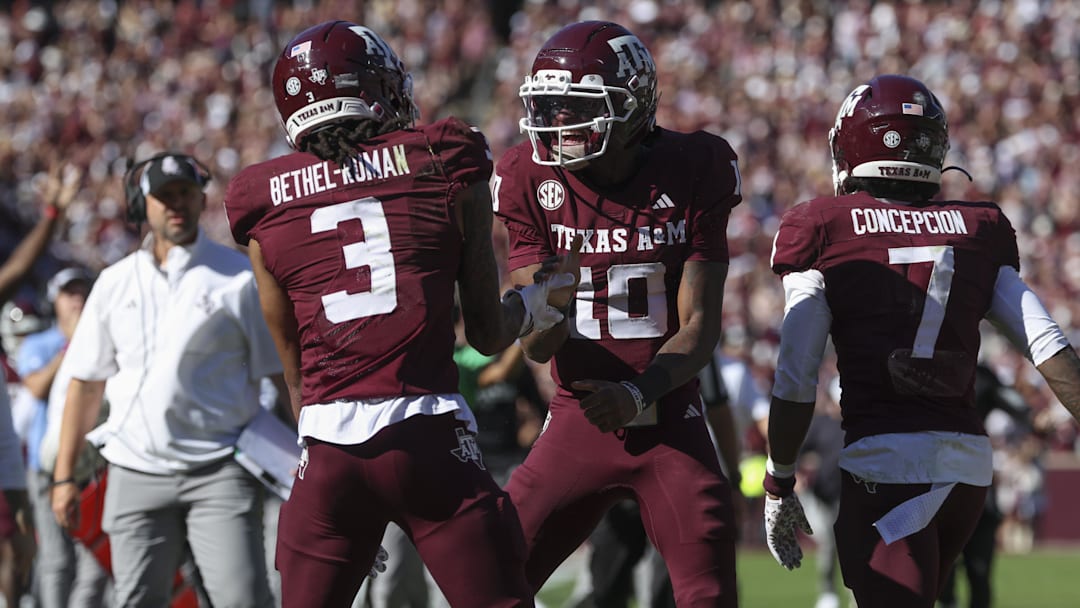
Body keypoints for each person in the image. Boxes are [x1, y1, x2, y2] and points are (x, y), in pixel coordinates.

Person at [222, 21, 573, 608]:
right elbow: (487, 333)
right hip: (427, 436)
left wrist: (339, 502)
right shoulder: (443, 154)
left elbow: (297, 375)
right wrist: (533, 305)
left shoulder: (262, 200)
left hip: (328, 455)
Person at [762, 74, 1080, 608]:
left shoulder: (822, 225)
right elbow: (1050, 348)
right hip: (967, 472)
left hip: (884, 467)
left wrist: (779, 479)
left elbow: (797, 372)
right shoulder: (977, 228)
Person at [492, 20, 743, 606]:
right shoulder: (530, 178)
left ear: (632, 106)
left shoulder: (694, 166)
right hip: (576, 418)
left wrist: (637, 392)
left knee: (708, 592)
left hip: (670, 416)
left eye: (577, 107)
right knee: (491, 575)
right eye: (550, 108)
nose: (559, 125)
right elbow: (535, 348)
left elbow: (700, 328)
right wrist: (550, 307)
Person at [50, 152, 281, 608]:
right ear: (142, 205)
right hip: (136, 471)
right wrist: (63, 478)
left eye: (186, 194)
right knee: (136, 601)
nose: (177, 204)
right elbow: (85, 383)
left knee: (244, 599)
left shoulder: (237, 278)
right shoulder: (115, 282)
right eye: (165, 196)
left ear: (201, 200)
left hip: (219, 469)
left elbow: (279, 372)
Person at [0, 161, 82, 608]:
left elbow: (15, 269)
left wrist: (51, 217)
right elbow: (15, 269)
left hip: (9, 444)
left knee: (20, 549)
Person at [18, 267, 111, 608]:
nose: (77, 300)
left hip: (93, 466)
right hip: (46, 467)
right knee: (57, 560)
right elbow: (36, 386)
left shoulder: (101, 336)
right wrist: (74, 345)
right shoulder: (39, 343)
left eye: (82, 292)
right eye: (68, 293)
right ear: (53, 301)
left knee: (96, 562)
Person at [938, 364, 1030, 608]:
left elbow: (1021, 409)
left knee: (973, 571)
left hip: (960, 483)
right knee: (949, 571)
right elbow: (1022, 409)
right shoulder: (977, 374)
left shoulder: (981, 374)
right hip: (948, 483)